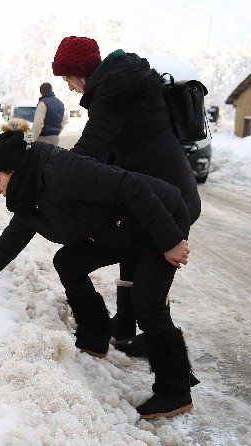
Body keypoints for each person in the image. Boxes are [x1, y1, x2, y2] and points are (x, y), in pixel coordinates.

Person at [0, 121, 199, 419]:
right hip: (119, 231)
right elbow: (4, 248)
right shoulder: (28, 200)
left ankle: (175, 391)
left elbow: (131, 187)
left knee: (147, 303)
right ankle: (94, 335)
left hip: (160, 217)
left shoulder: (61, 170)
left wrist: (170, 240)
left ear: (13, 171)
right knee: (68, 261)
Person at [51, 36, 201, 357]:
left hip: (168, 200)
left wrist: (53, 174)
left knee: (149, 281)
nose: (70, 87)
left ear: (81, 73)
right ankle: (125, 327)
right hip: (160, 191)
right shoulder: (121, 82)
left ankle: (169, 364)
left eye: (68, 79)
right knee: (135, 255)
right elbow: (110, 150)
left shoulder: (115, 91)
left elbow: (90, 149)